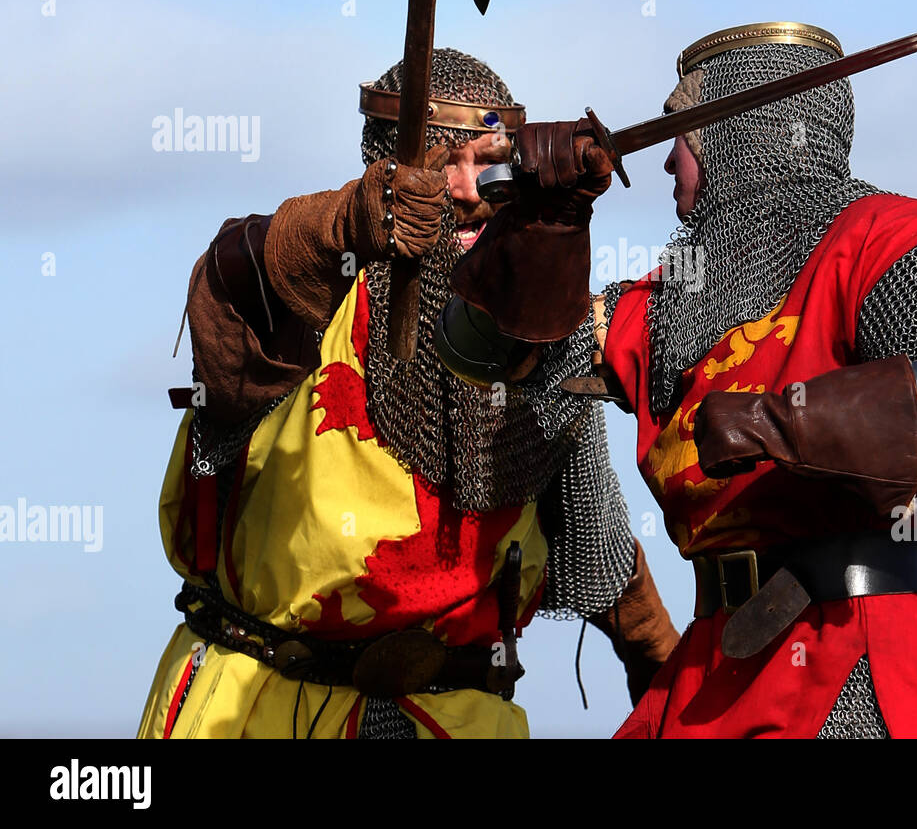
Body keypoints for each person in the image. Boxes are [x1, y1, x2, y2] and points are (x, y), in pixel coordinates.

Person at [438, 22, 917, 738]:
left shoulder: (888, 244)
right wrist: (541, 227)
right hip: (712, 667)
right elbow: (481, 354)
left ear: (738, 131)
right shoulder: (667, 301)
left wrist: (782, 420)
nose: (668, 161)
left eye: (678, 127)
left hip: (855, 651)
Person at [137, 49, 679, 739]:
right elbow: (231, 282)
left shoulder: (536, 340)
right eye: (436, 158)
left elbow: (596, 544)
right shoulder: (298, 307)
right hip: (254, 710)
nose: (463, 187)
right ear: (380, 163)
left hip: (450, 718)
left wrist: (671, 673)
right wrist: (342, 223)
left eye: (488, 159)